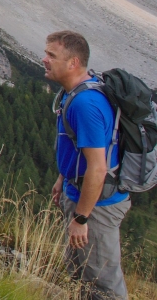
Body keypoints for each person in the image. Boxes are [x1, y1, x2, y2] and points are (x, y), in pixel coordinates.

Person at [45, 30, 129, 300]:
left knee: (103, 286)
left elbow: (98, 168)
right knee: (80, 277)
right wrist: (63, 178)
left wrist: (81, 218)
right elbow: (76, 146)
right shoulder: (75, 92)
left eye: (51, 55)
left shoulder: (85, 103)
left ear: (73, 63)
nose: (44, 59)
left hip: (96, 209)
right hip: (80, 196)